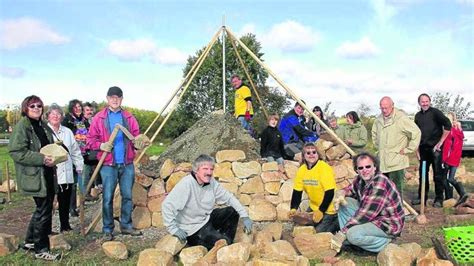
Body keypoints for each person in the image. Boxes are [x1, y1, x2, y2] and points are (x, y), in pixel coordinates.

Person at [86, 86, 150, 241]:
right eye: (112, 97)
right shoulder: (99, 118)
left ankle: (126, 226)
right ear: (107, 99)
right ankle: (108, 229)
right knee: (107, 197)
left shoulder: (129, 118)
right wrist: (101, 145)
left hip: (127, 163)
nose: (115, 100)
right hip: (108, 164)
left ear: (122, 99)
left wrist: (140, 143)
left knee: (127, 196)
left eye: (118, 97)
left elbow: (136, 138)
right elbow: (90, 140)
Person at [162, 154, 253, 250]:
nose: (209, 172)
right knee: (223, 244)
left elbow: (229, 198)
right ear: (196, 170)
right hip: (193, 229)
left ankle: (222, 240)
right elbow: (167, 205)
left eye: (211, 169)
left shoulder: (211, 182)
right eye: (205, 169)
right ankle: (222, 243)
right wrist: (173, 229)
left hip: (205, 219)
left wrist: (245, 216)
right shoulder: (186, 185)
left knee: (232, 211)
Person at [8, 95, 60, 260]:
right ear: (26, 108)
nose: (36, 108)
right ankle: (41, 249)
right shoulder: (22, 127)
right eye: (32, 106)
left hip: (46, 173)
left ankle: (30, 241)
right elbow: (16, 152)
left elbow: (46, 147)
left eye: (39, 106)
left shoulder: (42, 125)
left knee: (42, 209)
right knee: (43, 210)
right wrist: (41, 159)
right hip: (34, 176)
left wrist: (54, 156)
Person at [331, 152, 404, 254]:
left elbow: (365, 214)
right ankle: (352, 240)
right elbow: (350, 189)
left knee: (352, 234)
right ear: (357, 170)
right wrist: (341, 193)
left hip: (388, 224)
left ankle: (384, 243)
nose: (364, 170)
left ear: (375, 167)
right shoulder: (360, 179)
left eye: (368, 166)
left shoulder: (379, 184)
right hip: (374, 216)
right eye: (360, 168)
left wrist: (343, 232)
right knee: (344, 202)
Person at [371, 97, 421, 198]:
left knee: (396, 193)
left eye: (386, 108)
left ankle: (398, 213)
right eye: (382, 108)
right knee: (382, 193)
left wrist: (409, 149)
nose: (384, 110)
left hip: (397, 163)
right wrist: (379, 148)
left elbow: (416, 133)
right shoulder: (378, 120)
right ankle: (385, 213)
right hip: (383, 162)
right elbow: (374, 134)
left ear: (392, 105)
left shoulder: (401, 119)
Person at [46, 104, 84, 232]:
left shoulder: (67, 132)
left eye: (58, 114)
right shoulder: (45, 131)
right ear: (48, 116)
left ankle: (65, 225)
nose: (55, 116)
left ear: (62, 117)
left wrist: (79, 165)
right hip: (50, 171)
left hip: (66, 170)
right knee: (48, 201)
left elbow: (74, 150)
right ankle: (47, 227)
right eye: (52, 114)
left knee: (65, 200)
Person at [288, 143, 338, 233]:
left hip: (328, 209)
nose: (311, 155)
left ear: (318, 155)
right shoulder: (302, 170)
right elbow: (297, 192)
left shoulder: (324, 168)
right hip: (314, 207)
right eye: (308, 153)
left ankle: (336, 222)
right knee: (302, 228)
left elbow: (330, 192)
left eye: (314, 152)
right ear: (304, 156)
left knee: (317, 232)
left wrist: (321, 211)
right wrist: (293, 208)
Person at [413, 93, 451, 208]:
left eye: (426, 101)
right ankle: (422, 197)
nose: (424, 103)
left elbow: (448, 125)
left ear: (430, 101)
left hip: (435, 149)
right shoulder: (417, 116)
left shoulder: (436, 113)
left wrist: (441, 142)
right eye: (422, 101)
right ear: (419, 103)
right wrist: (416, 150)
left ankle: (439, 198)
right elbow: (416, 134)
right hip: (423, 149)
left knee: (437, 175)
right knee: (422, 174)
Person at [62, 99, 88, 217]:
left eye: (79, 107)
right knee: (72, 183)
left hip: (83, 155)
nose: (78, 109)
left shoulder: (85, 121)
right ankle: (71, 207)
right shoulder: (67, 121)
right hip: (70, 154)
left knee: (82, 181)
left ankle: (81, 202)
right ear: (71, 108)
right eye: (75, 107)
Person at [442, 112, 468, 205]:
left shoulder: (451, 130)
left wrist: (444, 158)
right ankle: (461, 193)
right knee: (450, 178)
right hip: (456, 157)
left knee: (446, 178)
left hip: (449, 157)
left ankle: (453, 195)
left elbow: (449, 146)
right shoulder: (458, 129)